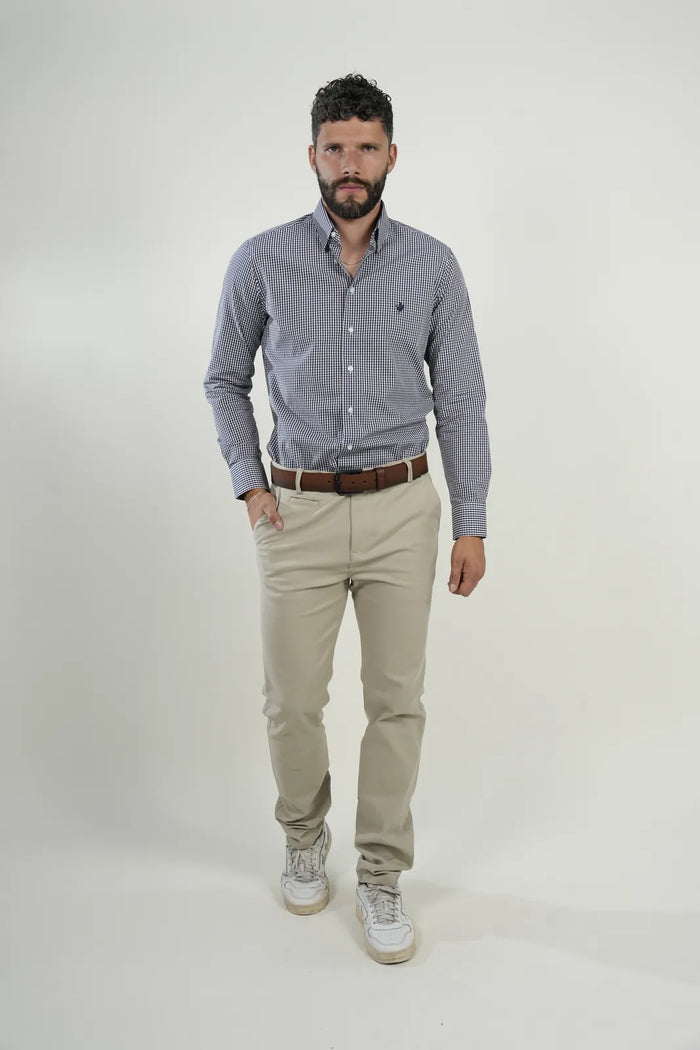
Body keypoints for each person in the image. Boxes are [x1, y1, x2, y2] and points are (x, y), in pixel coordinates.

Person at [204, 73, 491, 965]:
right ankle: (304, 836)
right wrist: (252, 485)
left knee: (396, 701)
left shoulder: (433, 265)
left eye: (366, 147)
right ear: (313, 156)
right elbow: (224, 379)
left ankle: (380, 873)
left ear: (391, 155)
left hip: (404, 509)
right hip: (296, 513)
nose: (351, 163)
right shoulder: (261, 260)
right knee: (292, 700)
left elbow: (463, 402)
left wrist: (472, 521)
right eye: (336, 148)